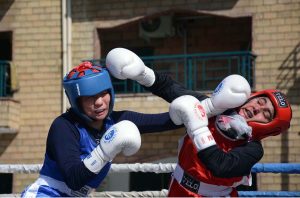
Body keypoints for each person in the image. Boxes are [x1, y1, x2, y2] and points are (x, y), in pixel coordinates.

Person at [105, 47, 292, 197]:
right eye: (260, 101)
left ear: (270, 126)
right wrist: (142, 73)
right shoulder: (216, 108)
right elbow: (171, 89)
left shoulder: (253, 149)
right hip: (178, 189)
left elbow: (220, 165)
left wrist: (198, 126)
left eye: (266, 113)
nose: (257, 108)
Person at [21, 61, 182, 197]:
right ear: (77, 101)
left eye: (103, 93)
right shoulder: (64, 126)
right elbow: (74, 179)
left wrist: (203, 107)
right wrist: (104, 151)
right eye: (90, 97)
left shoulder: (117, 120)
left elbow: (166, 121)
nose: (99, 102)